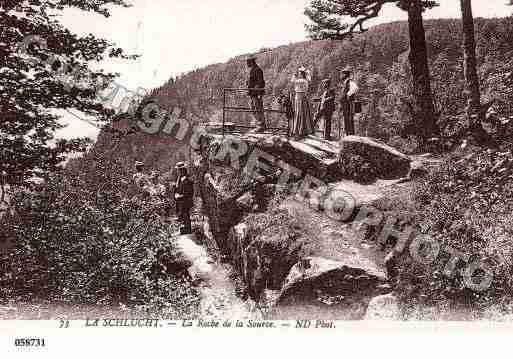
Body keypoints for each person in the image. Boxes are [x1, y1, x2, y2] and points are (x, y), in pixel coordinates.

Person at [290, 66, 314, 139]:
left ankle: (298, 130)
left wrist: (294, 75)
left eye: (299, 73)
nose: (298, 74)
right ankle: (305, 130)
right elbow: (309, 78)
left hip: (298, 97)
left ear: (301, 74)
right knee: (304, 113)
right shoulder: (306, 80)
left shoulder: (300, 81)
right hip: (303, 97)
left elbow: (292, 81)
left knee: (299, 113)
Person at [246, 55, 266, 132]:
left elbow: (260, 82)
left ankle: (261, 125)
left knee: (258, 109)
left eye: (248, 61)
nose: (247, 63)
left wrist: (258, 93)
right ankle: (258, 124)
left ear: (251, 61)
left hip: (256, 94)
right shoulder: (253, 69)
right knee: (253, 108)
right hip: (252, 93)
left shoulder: (257, 70)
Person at [174, 162, 194, 234]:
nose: (178, 172)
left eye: (179, 170)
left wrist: (179, 196)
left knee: (185, 214)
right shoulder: (180, 179)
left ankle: (187, 229)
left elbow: (189, 193)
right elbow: (177, 189)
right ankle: (185, 228)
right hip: (181, 201)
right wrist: (176, 194)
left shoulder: (188, 180)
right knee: (182, 214)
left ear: (183, 170)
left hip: (186, 201)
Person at [339, 66, 359, 136]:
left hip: (348, 104)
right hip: (345, 104)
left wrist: (348, 94)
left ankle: (350, 135)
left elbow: (356, 88)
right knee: (346, 120)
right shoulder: (345, 82)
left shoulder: (349, 81)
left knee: (349, 119)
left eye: (342, 74)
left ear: (345, 74)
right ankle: (348, 135)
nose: (340, 76)